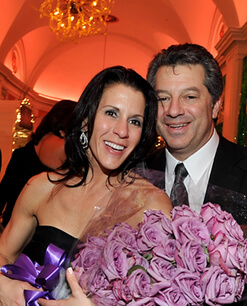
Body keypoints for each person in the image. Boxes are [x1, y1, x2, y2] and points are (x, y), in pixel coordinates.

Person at [0, 66, 172, 305]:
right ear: (85, 121)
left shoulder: (151, 205)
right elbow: (4, 252)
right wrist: (3, 286)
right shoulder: (41, 187)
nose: (122, 131)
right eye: (111, 113)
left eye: (134, 121)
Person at [145, 43, 247, 215]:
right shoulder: (134, 176)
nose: (173, 110)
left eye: (189, 97)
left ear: (215, 105)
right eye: (163, 98)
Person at [0, 99, 77, 228]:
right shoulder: (64, 147)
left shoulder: (23, 151)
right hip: (34, 232)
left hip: (10, 225)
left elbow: (3, 191)